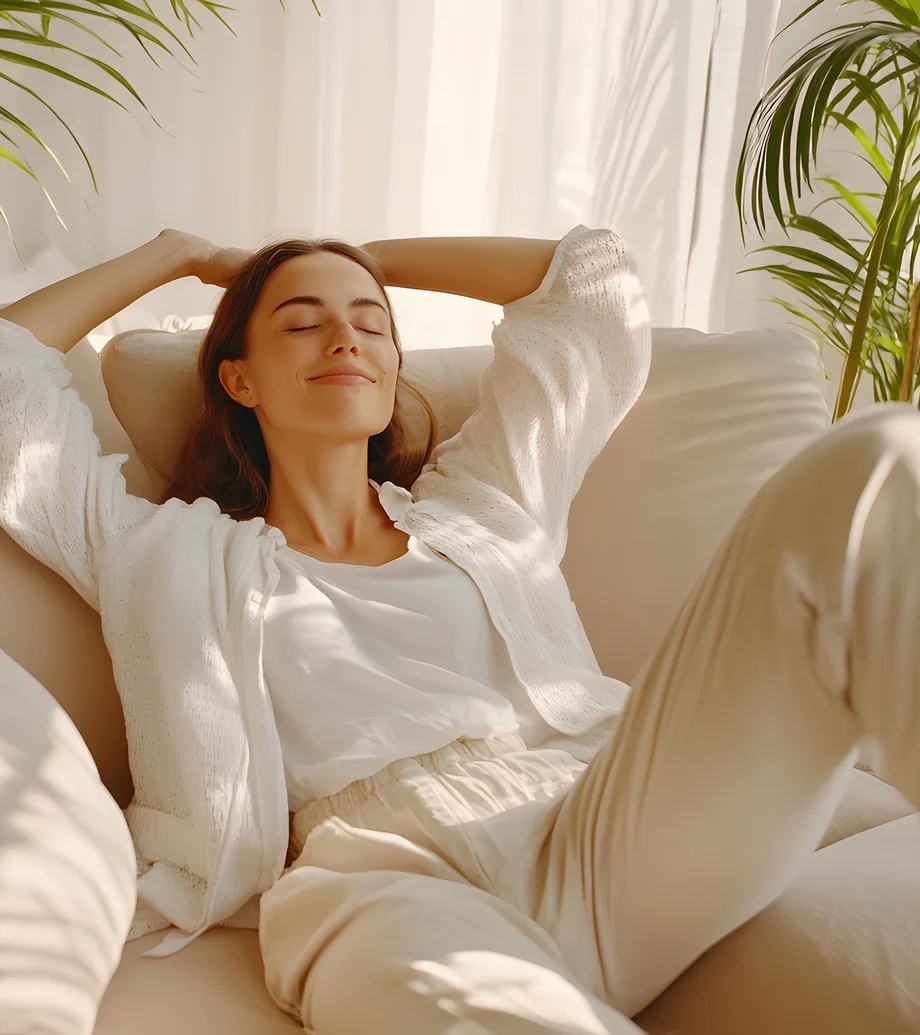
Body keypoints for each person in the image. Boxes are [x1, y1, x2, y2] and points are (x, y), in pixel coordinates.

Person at [0, 222, 918, 1035]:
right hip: (382, 875)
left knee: (878, 464)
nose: (347, 335)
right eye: (301, 319)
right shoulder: (159, 549)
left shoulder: (485, 505)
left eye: (369, 319)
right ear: (238, 375)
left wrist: (356, 257)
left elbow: (591, 285)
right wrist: (180, 255)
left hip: (607, 814)